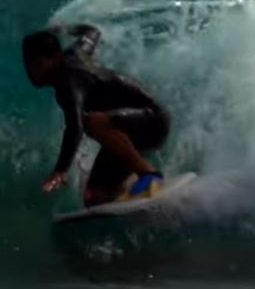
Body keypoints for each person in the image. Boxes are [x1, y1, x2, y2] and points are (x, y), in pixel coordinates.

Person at [22, 23, 170, 206]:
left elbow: (76, 127)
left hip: (152, 120)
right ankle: (138, 194)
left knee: (92, 123)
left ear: (54, 57)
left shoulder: (68, 82)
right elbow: (92, 32)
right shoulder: (75, 52)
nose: (30, 70)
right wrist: (66, 29)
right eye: (27, 62)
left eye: (35, 63)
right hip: (130, 128)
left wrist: (60, 170)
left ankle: (148, 175)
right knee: (95, 198)